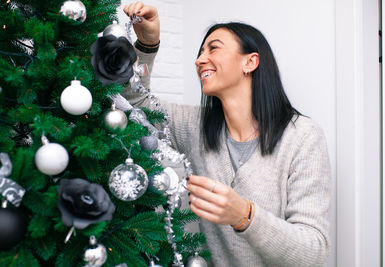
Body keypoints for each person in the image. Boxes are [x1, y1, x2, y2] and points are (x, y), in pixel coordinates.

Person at [123, 2, 331, 266]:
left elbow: (314, 251)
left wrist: (244, 216)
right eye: (200, 53)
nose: (199, 60)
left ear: (250, 61)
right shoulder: (194, 126)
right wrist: (147, 45)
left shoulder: (303, 137)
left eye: (214, 48)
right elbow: (135, 103)